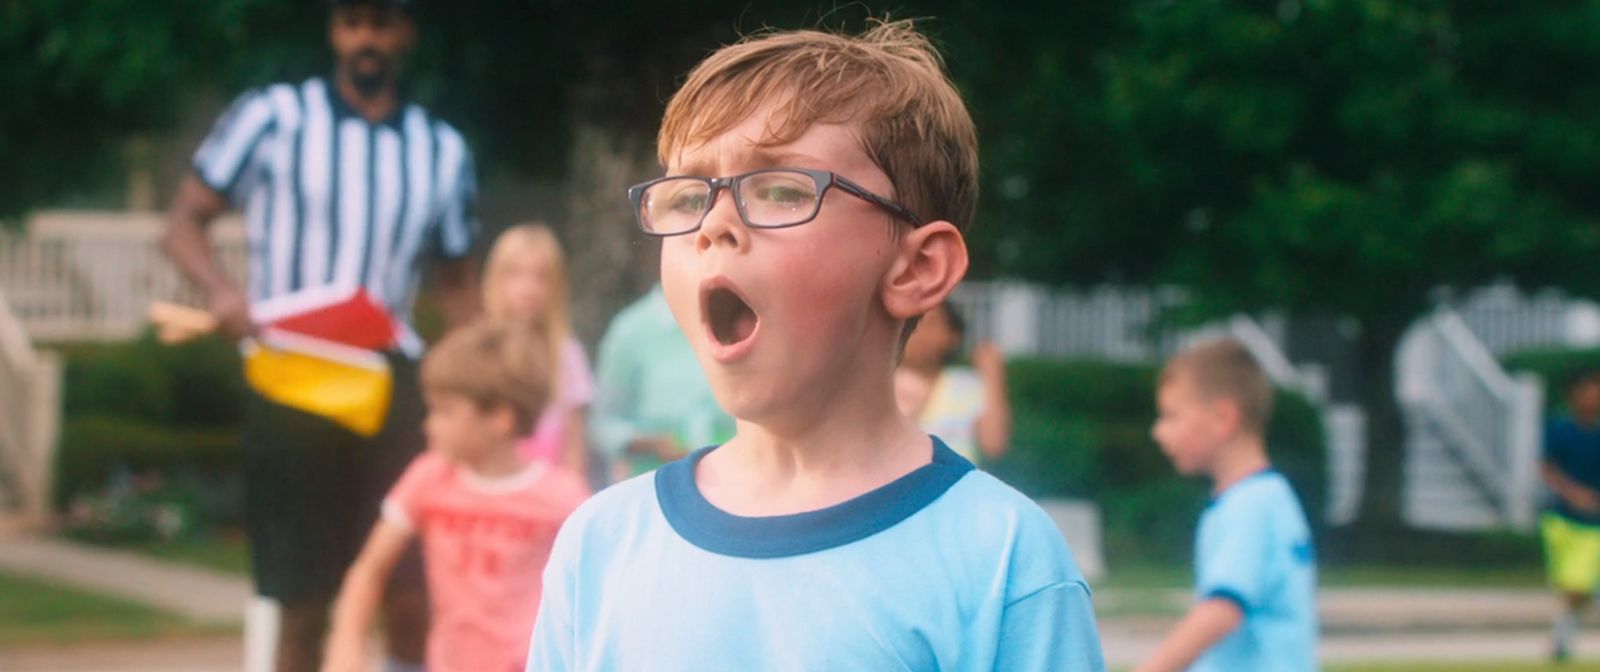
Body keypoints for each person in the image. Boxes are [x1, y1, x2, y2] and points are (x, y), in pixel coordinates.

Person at [527, 20, 1104, 670]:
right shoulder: (601, 543)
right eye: (688, 195)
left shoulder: (1003, 559)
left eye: (779, 190)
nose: (714, 225)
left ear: (917, 269)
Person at [161, 1, 480, 669]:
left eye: (383, 22)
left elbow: (457, 285)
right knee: (302, 597)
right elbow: (184, 222)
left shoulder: (440, 150)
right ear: (334, 31)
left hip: (387, 381)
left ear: (407, 31)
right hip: (293, 374)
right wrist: (223, 293)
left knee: (409, 585)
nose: (366, 38)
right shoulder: (273, 118)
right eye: (352, 22)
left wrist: (476, 375)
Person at [322, 321, 589, 672]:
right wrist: (346, 643)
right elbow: (368, 569)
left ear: (500, 418)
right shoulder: (428, 478)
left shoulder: (564, 498)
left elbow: (601, 591)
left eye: (444, 411)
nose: (429, 424)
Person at [1138, 339, 1317, 672]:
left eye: (1171, 417)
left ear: (1222, 418)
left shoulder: (1249, 506)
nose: (1158, 432)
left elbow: (1222, 610)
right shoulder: (1267, 498)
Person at [482, 223, 594, 480]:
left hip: (546, 497)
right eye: (515, 274)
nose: (528, 288)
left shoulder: (568, 355)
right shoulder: (479, 351)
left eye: (541, 276)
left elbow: (573, 442)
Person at [590, 283, 732, 481]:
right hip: (655, 479)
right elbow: (603, 424)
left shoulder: (740, 321)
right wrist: (649, 442)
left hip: (734, 479)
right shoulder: (631, 331)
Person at [897, 300, 1013, 463]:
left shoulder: (966, 385)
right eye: (910, 325)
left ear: (953, 336)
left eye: (930, 324)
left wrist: (993, 375)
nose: (918, 333)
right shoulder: (882, 387)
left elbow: (994, 445)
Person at [1539, 368, 1600, 662]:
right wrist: (1573, 493)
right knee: (1577, 587)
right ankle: (1562, 640)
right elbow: (1546, 467)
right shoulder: (1560, 429)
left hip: (1596, 524)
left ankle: (1562, 642)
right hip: (1566, 520)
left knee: (1582, 586)